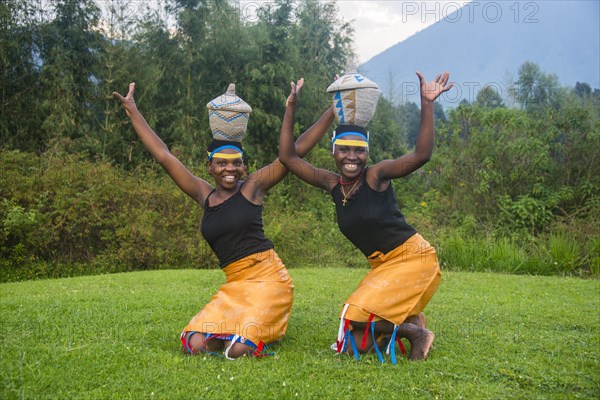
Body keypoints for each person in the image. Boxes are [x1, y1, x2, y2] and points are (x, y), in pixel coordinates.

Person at [113, 81, 334, 359]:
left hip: (269, 281)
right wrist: (131, 108)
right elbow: (163, 155)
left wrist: (329, 111)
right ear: (210, 166)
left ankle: (248, 330)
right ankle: (232, 328)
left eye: (235, 163)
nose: (229, 169)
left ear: (244, 166)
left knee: (238, 350)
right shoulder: (203, 194)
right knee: (195, 345)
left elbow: (294, 151)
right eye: (221, 163)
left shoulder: (252, 187)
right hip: (235, 285)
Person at [278, 72, 453, 361]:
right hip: (382, 267)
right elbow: (288, 157)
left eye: (358, 151)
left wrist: (427, 103)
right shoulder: (333, 184)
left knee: (352, 313)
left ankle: (414, 332)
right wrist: (292, 107)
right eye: (344, 150)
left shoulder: (376, 175)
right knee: (352, 346)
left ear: (367, 153)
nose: (351, 157)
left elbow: (421, 155)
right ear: (333, 151)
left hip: (413, 259)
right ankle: (411, 321)